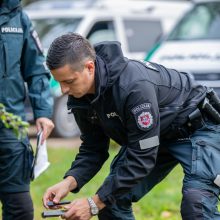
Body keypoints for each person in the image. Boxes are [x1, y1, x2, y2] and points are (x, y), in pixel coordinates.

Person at [43, 32, 220, 220]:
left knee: (197, 206)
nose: (64, 90)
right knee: (112, 202)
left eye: (69, 81)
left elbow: (141, 157)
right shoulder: (81, 96)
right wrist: (69, 182)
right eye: (60, 82)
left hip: (197, 128)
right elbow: (93, 148)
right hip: (154, 136)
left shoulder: (133, 87)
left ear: (89, 67)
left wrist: (93, 203)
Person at [0, 0, 54, 219]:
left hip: (11, 127)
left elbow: (36, 68)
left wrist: (42, 112)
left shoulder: (18, 17)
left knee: (20, 209)